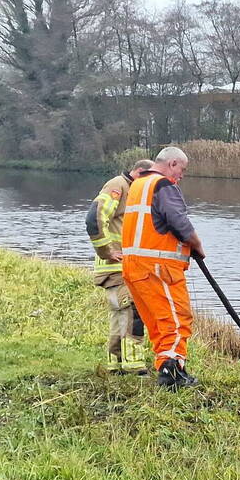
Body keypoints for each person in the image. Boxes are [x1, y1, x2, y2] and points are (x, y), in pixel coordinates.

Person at [121, 146, 206, 390]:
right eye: (182, 169)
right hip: (159, 267)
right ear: (172, 164)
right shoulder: (164, 185)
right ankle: (173, 374)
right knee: (177, 319)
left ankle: (167, 366)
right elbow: (177, 220)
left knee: (157, 322)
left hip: (135, 267)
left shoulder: (138, 185)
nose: (182, 175)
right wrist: (197, 245)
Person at [85, 159, 153, 373]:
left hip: (119, 268)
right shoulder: (118, 186)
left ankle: (115, 364)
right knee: (134, 311)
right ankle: (134, 365)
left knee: (120, 315)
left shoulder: (130, 189)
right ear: (140, 173)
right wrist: (106, 251)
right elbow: (94, 218)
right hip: (116, 267)